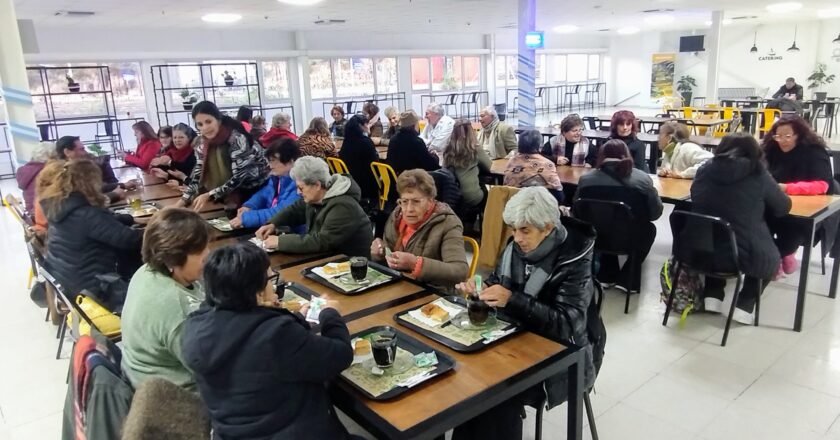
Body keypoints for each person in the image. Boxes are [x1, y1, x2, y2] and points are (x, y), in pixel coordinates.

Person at [452, 186, 596, 440]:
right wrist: (482, 292)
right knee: (468, 379)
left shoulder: (574, 259)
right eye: (514, 229)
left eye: (525, 231)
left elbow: (566, 325)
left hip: (562, 356)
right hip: (515, 341)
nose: (517, 238)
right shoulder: (515, 248)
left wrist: (511, 299)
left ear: (548, 227)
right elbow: (498, 283)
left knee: (496, 394)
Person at [181, 242, 355, 440]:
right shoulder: (276, 336)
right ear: (257, 293)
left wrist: (294, 317)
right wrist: (330, 315)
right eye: (270, 279)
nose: (273, 286)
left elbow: (248, 333)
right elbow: (340, 354)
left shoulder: (195, 325)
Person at [692, 133, 792, 325]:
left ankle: (712, 296)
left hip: (699, 250)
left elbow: (696, 196)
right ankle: (744, 305)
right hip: (742, 255)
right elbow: (782, 207)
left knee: (718, 233)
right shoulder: (757, 172)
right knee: (768, 256)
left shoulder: (704, 169)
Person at [120, 208, 212, 391]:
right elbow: (211, 370)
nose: (207, 254)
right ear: (173, 258)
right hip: (174, 400)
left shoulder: (146, 271)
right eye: (200, 251)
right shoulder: (178, 308)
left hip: (142, 379)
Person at [40, 159, 143, 302]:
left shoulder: (61, 205)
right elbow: (129, 239)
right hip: (95, 290)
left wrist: (129, 219)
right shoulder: (85, 213)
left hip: (69, 280)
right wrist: (158, 231)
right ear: (88, 183)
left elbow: (101, 227)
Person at [575, 140, 663, 292]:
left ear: (602, 156)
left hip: (596, 236)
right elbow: (655, 213)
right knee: (649, 229)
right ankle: (628, 278)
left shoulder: (586, 180)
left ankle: (607, 275)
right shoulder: (642, 179)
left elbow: (577, 211)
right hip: (630, 238)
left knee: (605, 223)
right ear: (626, 155)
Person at [370, 169, 468, 292]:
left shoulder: (448, 223)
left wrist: (416, 264)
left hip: (433, 294)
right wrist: (379, 253)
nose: (409, 209)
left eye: (416, 201)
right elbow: (388, 258)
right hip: (399, 287)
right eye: (404, 201)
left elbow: (460, 272)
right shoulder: (397, 216)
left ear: (430, 201)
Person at [256, 157, 374, 258]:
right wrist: (273, 224)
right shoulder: (316, 198)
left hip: (353, 266)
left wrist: (280, 242)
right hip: (329, 261)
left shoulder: (343, 206)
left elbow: (322, 241)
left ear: (317, 185)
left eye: (301, 188)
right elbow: (295, 210)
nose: (298, 192)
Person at [762, 116, 836, 276]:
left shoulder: (814, 152)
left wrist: (787, 188)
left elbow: (822, 185)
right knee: (757, 225)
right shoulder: (771, 148)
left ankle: (780, 257)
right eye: (778, 136)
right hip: (776, 203)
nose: (782, 141)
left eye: (787, 136)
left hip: (805, 208)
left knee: (791, 233)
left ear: (799, 135)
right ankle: (771, 260)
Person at [176, 101, 270, 212]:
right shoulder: (203, 143)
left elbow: (239, 177)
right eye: (200, 124)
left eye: (208, 122)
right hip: (227, 193)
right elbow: (198, 174)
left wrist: (209, 195)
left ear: (218, 120)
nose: (205, 128)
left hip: (258, 190)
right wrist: (181, 202)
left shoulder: (237, 139)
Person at [231, 138, 302, 230]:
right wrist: (249, 206)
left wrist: (246, 218)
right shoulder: (277, 178)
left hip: (291, 233)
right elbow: (263, 194)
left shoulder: (299, 185)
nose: (270, 165)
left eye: (274, 160)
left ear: (291, 161)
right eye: (269, 160)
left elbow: (280, 212)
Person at [55, 136, 127, 198]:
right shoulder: (63, 174)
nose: (86, 152)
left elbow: (95, 189)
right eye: (81, 149)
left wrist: (122, 186)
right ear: (67, 152)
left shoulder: (72, 170)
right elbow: (88, 200)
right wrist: (114, 194)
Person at [503, 129, 564, 203]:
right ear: (539, 145)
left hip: (513, 205)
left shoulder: (512, 161)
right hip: (540, 207)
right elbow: (559, 195)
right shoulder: (547, 164)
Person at [443, 119, 491, 210]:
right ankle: (487, 221)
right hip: (471, 198)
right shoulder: (475, 149)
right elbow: (489, 167)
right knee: (488, 193)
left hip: (452, 197)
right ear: (471, 132)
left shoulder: (447, 150)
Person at [338, 114, 380, 203]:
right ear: (361, 126)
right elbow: (375, 163)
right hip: (366, 183)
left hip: (349, 181)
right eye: (367, 124)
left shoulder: (346, 142)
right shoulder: (366, 142)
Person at [386, 110, 440, 175]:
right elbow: (431, 166)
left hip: (399, 179)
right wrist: (435, 157)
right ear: (414, 125)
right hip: (414, 180)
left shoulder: (393, 139)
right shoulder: (417, 142)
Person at [150, 123, 197, 188]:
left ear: (189, 138)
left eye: (181, 137)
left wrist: (168, 174)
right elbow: (172, 173)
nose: (177, 140)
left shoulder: (194, 154)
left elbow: (190, 179)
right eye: (175, 137)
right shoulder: (172, 152)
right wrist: (163, 173)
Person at [16, 142, 53, 213]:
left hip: (32, 212)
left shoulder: (22, 170)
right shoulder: (48, 171)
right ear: (50, 156)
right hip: (46, 214)